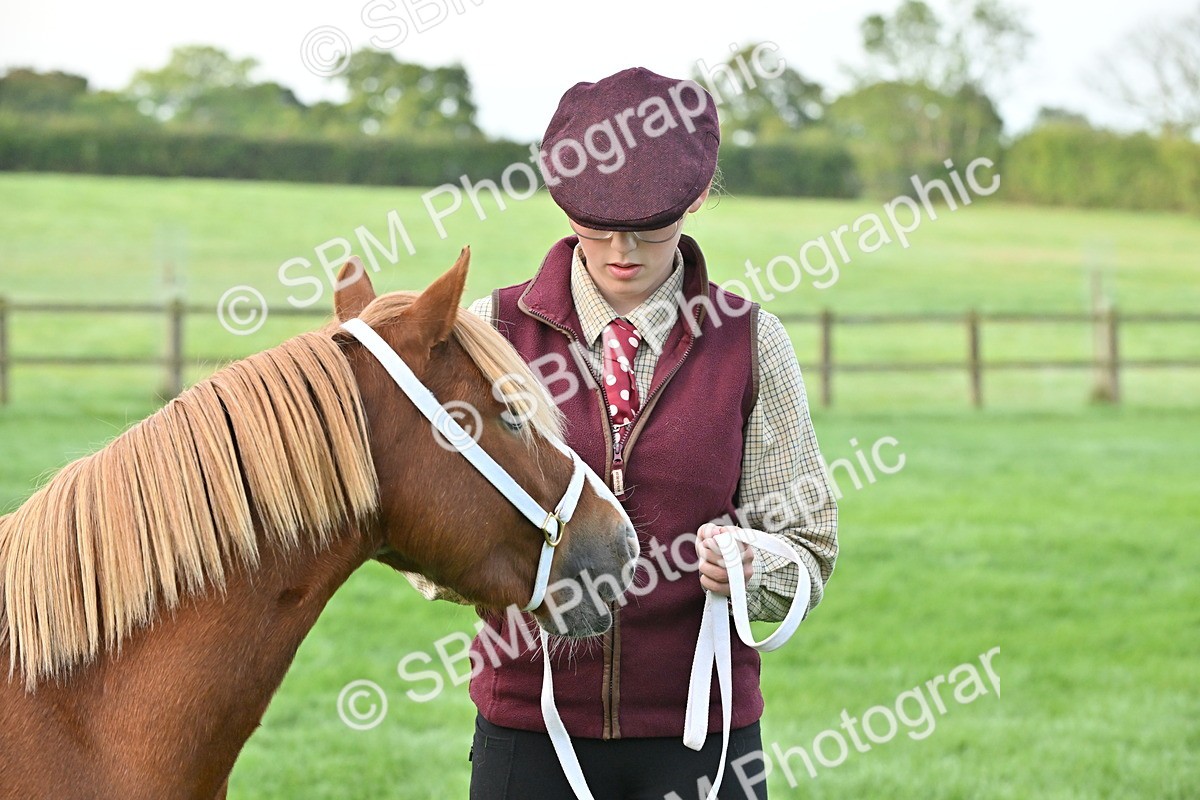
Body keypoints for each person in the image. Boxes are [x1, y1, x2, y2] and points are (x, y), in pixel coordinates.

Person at [411, 66, 838, 799]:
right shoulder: (491, 329)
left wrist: (749, 565)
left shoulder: (750, 341)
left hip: (706, 737)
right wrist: (507, 565)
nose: (621, 252)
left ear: (698, 199)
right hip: (528, 733)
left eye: (649, 230)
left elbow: (810, 545)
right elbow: (427, 539)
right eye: (597, 226)